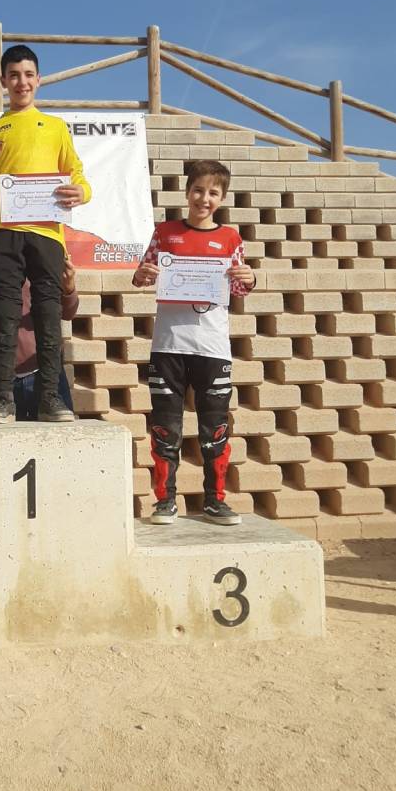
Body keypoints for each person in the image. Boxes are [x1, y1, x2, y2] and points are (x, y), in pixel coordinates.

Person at [0, 44, 91, 424]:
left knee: (48, 314)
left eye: (28, 75)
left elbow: (77, 173)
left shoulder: (55, 127)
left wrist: (81, 191)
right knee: (4, 313)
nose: (22, 82)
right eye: (14, 75)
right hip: (4, 233)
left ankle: (50, 397)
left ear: (39, 80)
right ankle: (1, 398)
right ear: (3, 81)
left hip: (47, 234)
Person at [132, 160, 256, 526]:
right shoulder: (165, 232)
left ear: (222, 198)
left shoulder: (231, 238)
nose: (204, 199)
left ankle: (215, 502)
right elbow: (143, 277)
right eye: (198, 190)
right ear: (187, 192)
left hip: (212, 347)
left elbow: (237, 288)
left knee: (214, 430)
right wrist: (142, 274)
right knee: (165, 429)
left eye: (213, 193)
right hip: (168, 345)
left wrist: (249, 279)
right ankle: (165, 502)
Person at [0, 246, 78, 420]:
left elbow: (68, 313)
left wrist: (69, 289)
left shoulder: (43, 261)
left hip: (45, 374)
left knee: (58, 436)